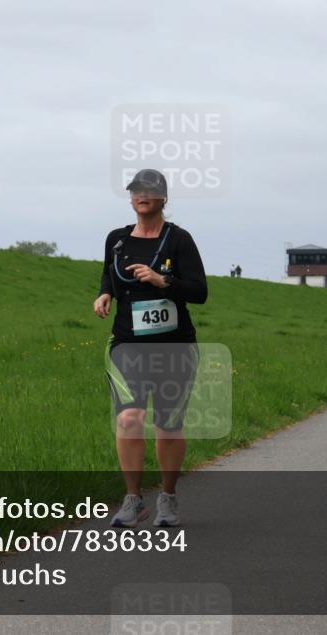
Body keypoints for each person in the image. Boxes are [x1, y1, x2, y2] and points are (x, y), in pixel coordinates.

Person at [94, 169, 207, 528]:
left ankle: (168, 498)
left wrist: (163, 281)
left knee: (168, 424)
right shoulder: (117, 239)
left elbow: (200, 292)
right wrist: (105, 292)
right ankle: (133, 500)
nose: (142, 195)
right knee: (129, 418)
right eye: (136, 190)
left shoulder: (179, 239)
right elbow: (109, 272)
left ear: (163, 198)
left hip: (174, 346)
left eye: (150, 190)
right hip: (128, 344)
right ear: (130, 198)